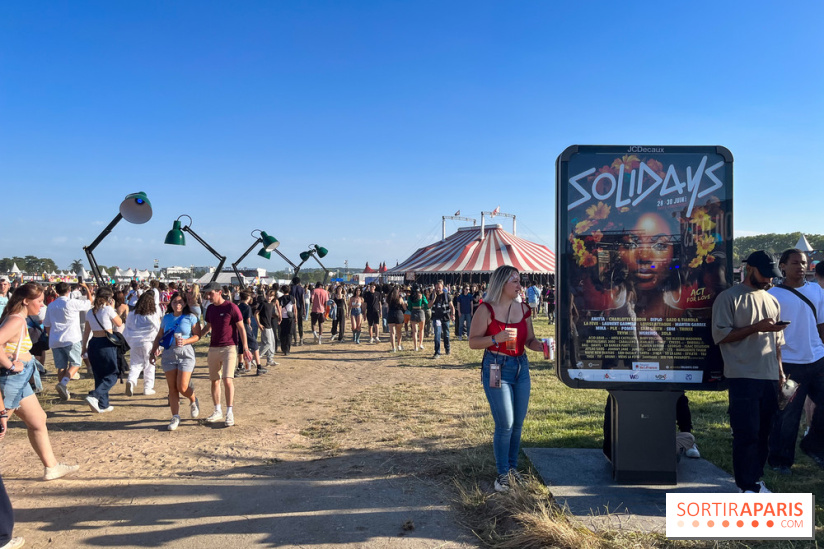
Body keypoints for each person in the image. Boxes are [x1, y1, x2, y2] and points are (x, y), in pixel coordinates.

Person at [712, 250, 787, 493]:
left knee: (765, 433)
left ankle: (755, 480)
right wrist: (756, 327)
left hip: (769, 376)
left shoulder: (773, 300)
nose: (768, 280)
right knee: (747, 433)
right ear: (749, 269)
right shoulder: (729, 297)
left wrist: (781, 373)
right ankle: (746, 485)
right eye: (764, 275)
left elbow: (777, 343)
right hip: (742, 375)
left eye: (772, 276)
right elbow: (721, 336)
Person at [469, 266, 543, 492]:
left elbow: (530, 340)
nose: (519, 285)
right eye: (515, 281)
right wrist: (496, 338)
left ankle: (512, 470)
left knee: (518, 425)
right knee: (506, 424)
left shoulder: (524, 309)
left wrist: (543, 347)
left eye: (519, 281)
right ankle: (502, 475)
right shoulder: (486, 310)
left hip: (521, 368)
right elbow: (473, 342)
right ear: (501, 284)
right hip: (496, 366)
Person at [0, 283, 78, 481]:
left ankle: (51, 467)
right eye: (40, 301)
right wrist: (10, 366)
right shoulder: (16, 320)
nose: (42, 305)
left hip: (20, 378)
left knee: (38, 420)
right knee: (1, 426)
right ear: (26, 301)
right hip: (11, 379)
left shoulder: (18, 319)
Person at [767, 249, 824, 473]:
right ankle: (780, 461)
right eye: (795, 263)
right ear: (782, 266)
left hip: (818, 360)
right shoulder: (773, 295)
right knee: (787, 415)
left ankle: (814, 445)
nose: (801, 267)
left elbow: (821, 325)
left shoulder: (817, 291)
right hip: (790, 364)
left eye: (804, 262)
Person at [200, 282, 253, 427]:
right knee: (214, 380)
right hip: (213, 348)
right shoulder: (210, 309)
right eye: (206, 294)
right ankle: (217, 410)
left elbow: (241, 328)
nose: (207, 296)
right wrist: (195, 336)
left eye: (210, 293)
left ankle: (229, 412)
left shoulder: (231, 307)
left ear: (218, 292)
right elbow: (207, 327)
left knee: (227, 380)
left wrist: (246, 348)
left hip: (229, 347)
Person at [150, 292, 201, 431]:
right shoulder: (166, 318)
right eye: (174, 302)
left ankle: (193, 400)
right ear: (170, 303)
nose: (177, 304)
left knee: (182, 387)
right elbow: (159, 335)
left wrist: (186, 341)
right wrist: (153, 351)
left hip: (186, 353)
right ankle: (175, 416)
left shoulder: (191, 317)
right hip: (169, 354)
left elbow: (198, 335)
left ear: (184, 303)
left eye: (180, 302)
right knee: (172, 388)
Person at [44, 281, 92, 400]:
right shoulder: (72, 303)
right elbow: (89, 302)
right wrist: (86, 288)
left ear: (56, 291)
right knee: (76, 363)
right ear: (69, 290)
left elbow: (47, 324)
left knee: (61, 366)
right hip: (71, 338)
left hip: (56, 338)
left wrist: (51, 336)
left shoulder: (51, 305)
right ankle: (63, 383)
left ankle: (63, 389)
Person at [83, 286, 124, 414]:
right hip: (106, 343)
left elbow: (86, 331)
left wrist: (84, 346)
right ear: (109, 298)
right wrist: (112, 309)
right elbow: (119, 323)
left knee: (99, 375)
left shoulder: (90, 312)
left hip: (94, 342)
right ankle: (94, 395)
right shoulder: (108, 310)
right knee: (112, 374)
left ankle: (103, 404)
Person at [122, 291, 160, 396]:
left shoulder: (131, 314)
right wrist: (159, 346)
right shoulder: (152, 314)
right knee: (149, 365)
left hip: (134, 342)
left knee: (135, 364)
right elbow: (158, 329)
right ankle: (148, 387)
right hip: (148, 342)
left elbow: (127, 328)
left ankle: (131, 380)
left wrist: (128, 341)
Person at [430, 280, 455, 358]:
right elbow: (428, 305)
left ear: (442, 287)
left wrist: (453, 315)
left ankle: (447, 348)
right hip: (436, 318)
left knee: (446, 334)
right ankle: (437, 352)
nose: (438, 289)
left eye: (439, 287)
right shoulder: (432, 295)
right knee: (437, 334)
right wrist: (434, 298)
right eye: (436, 287)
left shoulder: (447, 296)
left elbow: (452, 306)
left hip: (445, 318)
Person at [407, 285, 427, 351]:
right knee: (421, 330)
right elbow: (426, 304)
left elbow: (409, 307)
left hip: (413, 312)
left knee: (414, 331)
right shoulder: (422, 295)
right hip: (421, 311)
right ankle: (421, 344)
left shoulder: (410, 297)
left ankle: (415, 347)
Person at [386, 287, 406, 353]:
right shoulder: (400, 298)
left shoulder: (389, 299)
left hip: (391, 314)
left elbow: (388, 308)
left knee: (392, 332)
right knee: (399, 331)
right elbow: (404, 308)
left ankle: (393, 348)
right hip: (399, 314)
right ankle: (399, 345)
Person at [278, 285, 295, 356]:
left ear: (282, 290)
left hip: (282, 317)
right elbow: (295, 309)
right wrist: (296, 318)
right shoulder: (292, 298)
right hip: (290, 317)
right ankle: (287, 350)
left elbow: (279, 309)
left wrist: (279, 317)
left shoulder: (280, 299)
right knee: (289, 334)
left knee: (282, 333)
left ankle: (283, 348)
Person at [289, 277, 306, 346]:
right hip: (300, 307)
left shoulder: (291, 289)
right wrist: (304, 309)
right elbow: (303, 299)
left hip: (292, 308)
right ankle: (301, 339)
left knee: (293, 324)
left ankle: (295, 340)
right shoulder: (301, 289)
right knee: (300, 324)